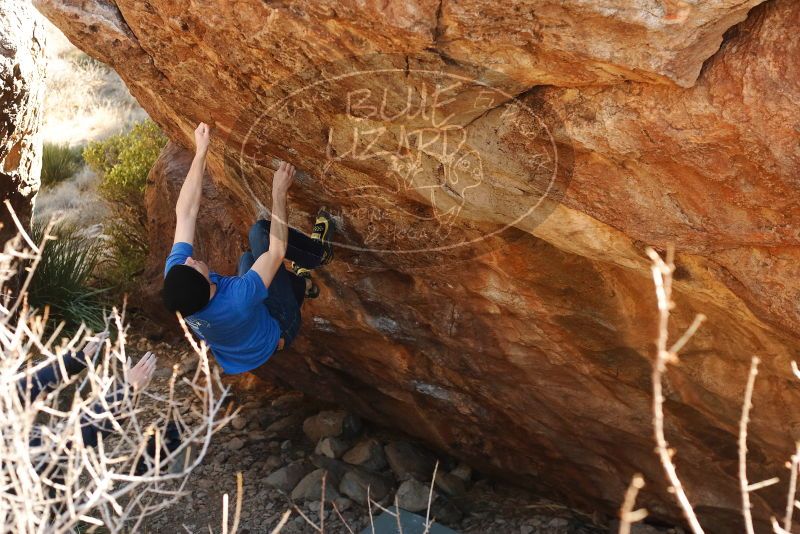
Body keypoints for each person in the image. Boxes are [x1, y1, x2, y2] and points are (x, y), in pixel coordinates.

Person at [160, 123, 334, 374]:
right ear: (206, 287)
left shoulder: (180, 289)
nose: (189, 261)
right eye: (192, 267)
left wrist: (201, 151)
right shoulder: (237, 299)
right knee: (261, 234)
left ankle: (302, 285)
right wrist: (278, 193)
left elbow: (185, 213)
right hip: (279, 330)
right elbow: (276, 250)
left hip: (241, 348)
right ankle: (319, 254)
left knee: (249, 259)